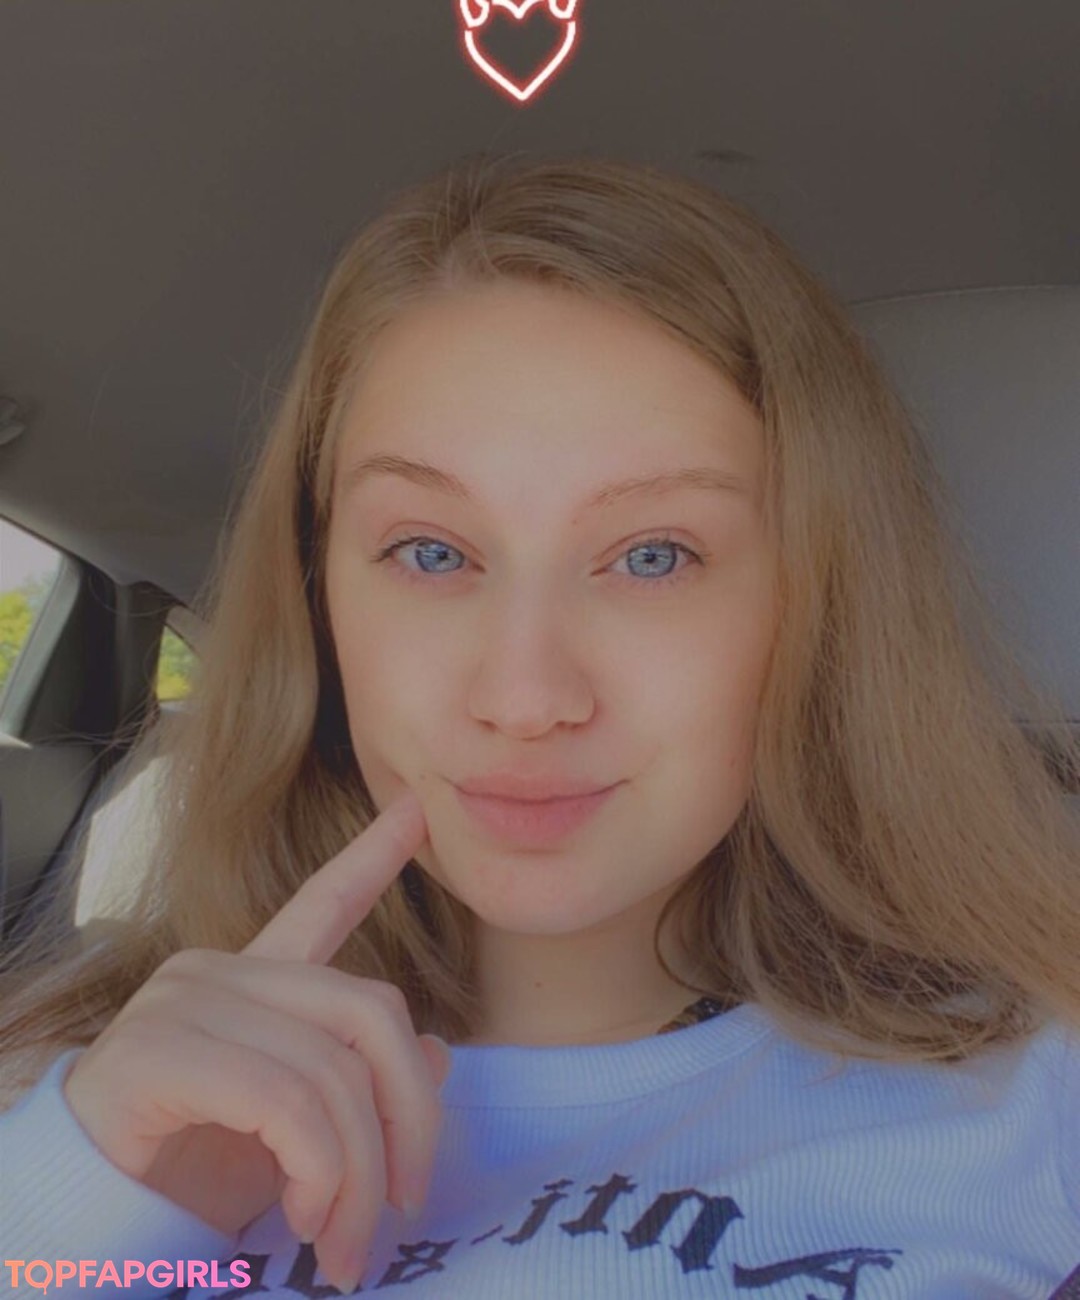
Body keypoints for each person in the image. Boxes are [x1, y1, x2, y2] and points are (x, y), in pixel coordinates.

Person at [1, 152, 1079, 1300]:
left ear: (814, 603)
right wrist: (81, 1216)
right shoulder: (81, 1092)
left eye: (653, 556)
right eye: (431, 552)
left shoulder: (1032, 1095)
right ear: (320, 604)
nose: (523, 699)